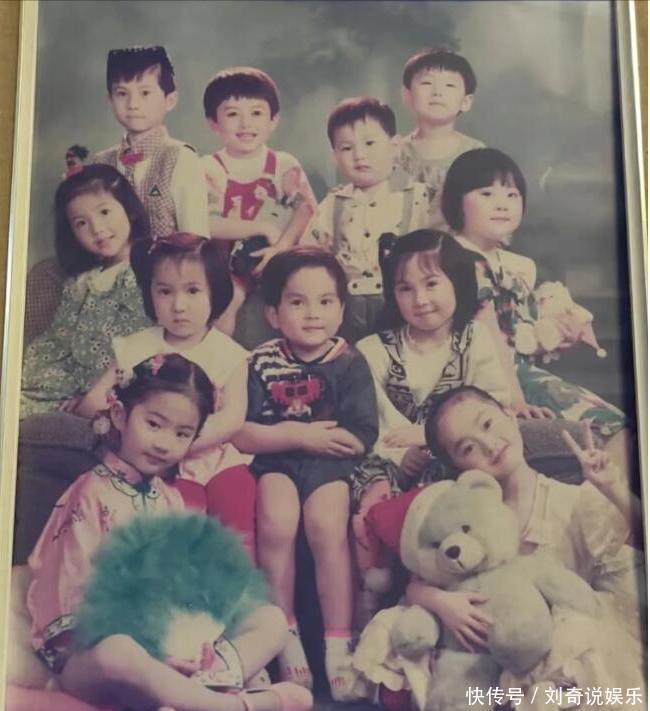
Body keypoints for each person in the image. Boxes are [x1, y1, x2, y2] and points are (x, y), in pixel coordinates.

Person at [25, 354, 313, 711]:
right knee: (119, 651)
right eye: (154, 424)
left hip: (169, 651)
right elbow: (72, 599)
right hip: (95, 654)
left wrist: (195, 639)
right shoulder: (90, 494)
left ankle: (191, 691)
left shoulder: (170, 499)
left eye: (182, 434)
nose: (164, 443)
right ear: (120, 416)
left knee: (270, 619)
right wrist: (153, 649)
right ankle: (230, 706)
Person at [416, 385, 645, 701]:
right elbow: (417, 580)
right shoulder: (469, 520)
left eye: (487, 424)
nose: (489, 445)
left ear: (510, 415)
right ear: (459, 468)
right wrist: (442, 603)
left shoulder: (573, 501)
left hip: (576, 655)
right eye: (468, 448)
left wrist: (613, 487)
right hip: (506, 657)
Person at [232, 248, 378, 700]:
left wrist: (322, 442)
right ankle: (285, 635)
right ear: (274, 314)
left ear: (341, 310)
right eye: (298, 302)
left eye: (325, 301)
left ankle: (338, 642)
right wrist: (300, 435)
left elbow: (361, 434)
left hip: (330, 463)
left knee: (325, 524)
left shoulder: (348, 362)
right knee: (277, 521)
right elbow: (242, 432)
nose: (313, 313)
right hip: (277, 460)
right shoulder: (260, 361)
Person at [349, 229, 510, 623]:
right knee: (369, 492)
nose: (420, 299)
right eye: (405, 289)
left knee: (458, 497)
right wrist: (399, 454)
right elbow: (368, 422)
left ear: (457, 281)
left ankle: (442, 593)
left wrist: (429, 437)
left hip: (454, 461)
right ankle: (374, 594)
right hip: (389, 461)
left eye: (431, 284)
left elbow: (492, 407)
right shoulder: (373, 350)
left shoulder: (473, 340)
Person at [440, 147, 633, 475]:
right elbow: (490, 337)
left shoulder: (515, 264)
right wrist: (514, 400)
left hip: (521, 372)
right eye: (486, 193)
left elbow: (522, 328)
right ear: (456, 201)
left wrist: (562, 329)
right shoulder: (460, 261)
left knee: (621, 430)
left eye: (512, 194)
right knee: (614, 429)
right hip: (490, 380)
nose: (502, 204)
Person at [76, 232, 256, 559]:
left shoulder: (228, 353)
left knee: (237, 526)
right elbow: (91, 402)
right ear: (150, 294)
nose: (178, 305)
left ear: (215, 292)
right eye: (165, 291)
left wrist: (181, 442)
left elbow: (232, 419)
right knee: (178, 534)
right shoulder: (137, 347)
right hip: (159, 465)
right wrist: (134, 425)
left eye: (192, 290)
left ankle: (238, 587)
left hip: (215, 460)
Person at [20, 164, 152, 418]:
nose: (97, 228)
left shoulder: (149, 270)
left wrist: (95, 392)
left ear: (130, 210)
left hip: (115, 384)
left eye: (104, 212)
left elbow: (142, 343)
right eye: (81, 223)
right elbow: (58, 341)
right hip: (65, 384)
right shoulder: (81, 282)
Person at [202, 67, 316, 346]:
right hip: (230, 264)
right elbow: (207, 223)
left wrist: (280, 247)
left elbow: (306, 209)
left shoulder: (283, 164)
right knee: (229, 301)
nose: (245, 124)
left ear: (273, 120)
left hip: (279, 257)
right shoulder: (209, 168)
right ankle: (221, 362)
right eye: (232, 114)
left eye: (256, 113)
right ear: (213, 123)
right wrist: (261, 227)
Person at [304, 96, 431, 344]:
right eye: (346, 148)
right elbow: (310, 251)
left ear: (394, 146)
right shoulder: (334, 203)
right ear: (334, 155)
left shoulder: (417, 197)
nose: (359, 155)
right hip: (346, 306)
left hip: (400, 303)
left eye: (370, 143)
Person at [95, 45, 209, 240]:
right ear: (110, 101)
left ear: (170, 100)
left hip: (170, 260)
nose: (133, 104)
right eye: (122, 93)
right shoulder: (101, 162)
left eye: (145, 93)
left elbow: (195, 239)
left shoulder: (182, 159)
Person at [398, 48, 484, 229]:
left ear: (466, 102)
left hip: (458, 244)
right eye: (427, 82)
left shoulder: (476, 154)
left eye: (450, 85)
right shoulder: (394, 153)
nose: (437, 92)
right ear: (407, 96)